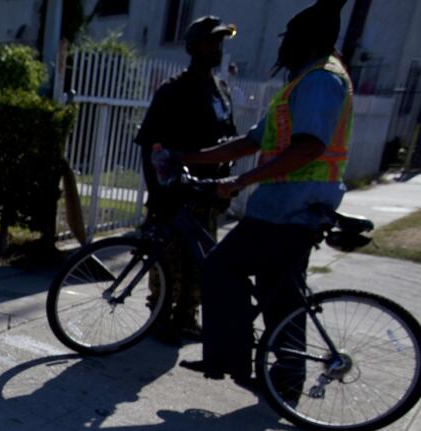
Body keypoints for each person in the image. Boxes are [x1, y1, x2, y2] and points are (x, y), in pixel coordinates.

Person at [177, 0, 352, 388]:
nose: (283, 45)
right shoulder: (302, 82)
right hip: (290, 205)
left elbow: (308, 146)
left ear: (307, 39)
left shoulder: (321, 81)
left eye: (289, 37)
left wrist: (240, 182)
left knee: (221, 267)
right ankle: (286, 376)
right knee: (281, 291)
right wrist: (188, 157)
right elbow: (249, 142)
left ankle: (230, 359)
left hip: (290, 207)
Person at [134, 15, 238, 344]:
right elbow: (150, 145)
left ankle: (187, 317)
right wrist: (158, 193)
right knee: (167, 260)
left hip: (206, 195)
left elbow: (228, 140)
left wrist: (226, 185)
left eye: (220, 42)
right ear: (193, 48)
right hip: (174, 194)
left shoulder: (220, 91)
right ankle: (161, 316)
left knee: (200, 262)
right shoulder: (173, 91)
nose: (217, 48)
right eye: (211, 42)